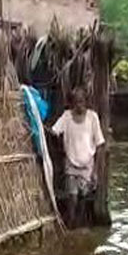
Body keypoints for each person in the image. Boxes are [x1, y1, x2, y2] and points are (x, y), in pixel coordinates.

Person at [50, 88, 106, 227]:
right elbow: (54, 131)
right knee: (72, 197)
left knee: (83, 198)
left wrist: (95, 172)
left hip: (87, 165)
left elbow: (99, 144)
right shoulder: (67, 116)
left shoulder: (92, 117)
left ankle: (78, 224)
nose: (79, 105)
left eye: (81, 101)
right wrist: (62, 147)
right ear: (72, 103)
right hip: (71, 163)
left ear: (86, 102)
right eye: (76, 102)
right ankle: (71, 224)